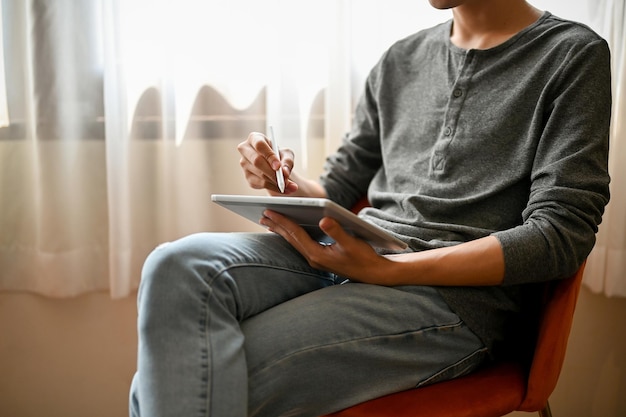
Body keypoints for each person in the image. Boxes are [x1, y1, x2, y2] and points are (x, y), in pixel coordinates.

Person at [129, 0, 611, 416]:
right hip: (359, 254)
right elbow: (338, 187)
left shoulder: (570, 56)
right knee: (175, 265)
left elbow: (559, 237)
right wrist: (282, 179)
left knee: (191, 373)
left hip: (455, 300)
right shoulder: (400, 60)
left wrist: (391, 271)